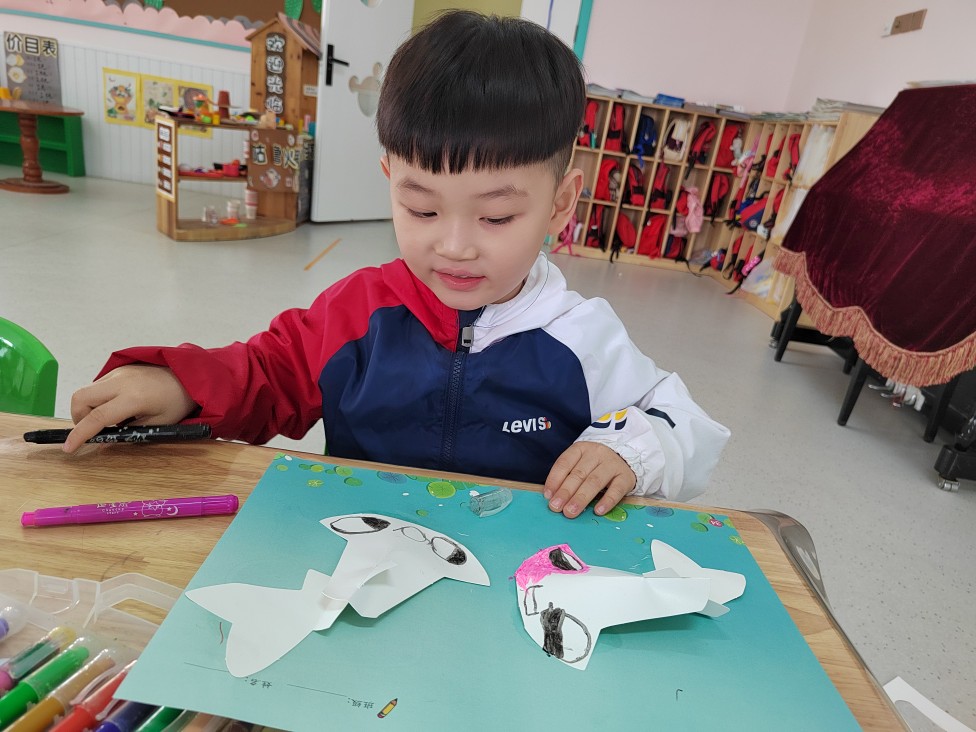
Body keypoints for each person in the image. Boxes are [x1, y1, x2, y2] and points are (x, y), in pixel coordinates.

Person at [65, 11, 729, 519]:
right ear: (390, 181)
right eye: (422, 209)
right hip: (362, 564)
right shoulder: (358, 311)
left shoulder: (582, 339)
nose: (455, 246)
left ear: (561, 203)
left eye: (497, 217)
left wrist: (629, 449)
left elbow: (683, 425)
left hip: (515, 581)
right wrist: (182, 386)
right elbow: (269, 372)